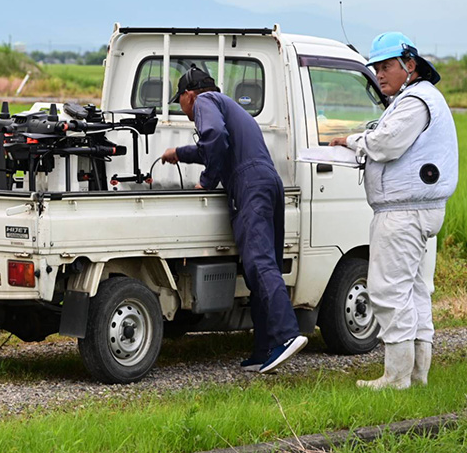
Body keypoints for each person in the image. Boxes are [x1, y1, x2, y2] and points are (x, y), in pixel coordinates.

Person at [330, 32, 458, 390]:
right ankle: (417, 376)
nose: (380, 74)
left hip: (403, 213)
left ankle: (396, 378)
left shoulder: (415, 101)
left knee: (388, 292)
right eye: (377, 68)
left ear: (409, 65)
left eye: (386, 67)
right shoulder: (419, 98)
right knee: (416, 292)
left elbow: (386, 144)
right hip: (421, 210)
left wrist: (353, 141)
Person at [161, 65, 307, 374]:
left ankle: (287, 335)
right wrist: (179, 153)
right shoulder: (228, 106)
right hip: (267, 181)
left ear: (189, 94)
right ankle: (264, 349)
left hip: (249, 185)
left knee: (259, 263)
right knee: (263, 266)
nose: (183, 108)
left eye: (180, 100)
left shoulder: (205, 102)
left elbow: (213, 137)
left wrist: (207, 181)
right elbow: (218, 145)